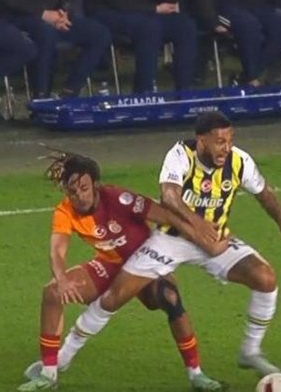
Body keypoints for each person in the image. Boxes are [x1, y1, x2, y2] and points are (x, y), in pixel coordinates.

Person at [51, 111, 281, 377]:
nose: (227, 147)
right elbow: (169, 196)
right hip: (169, 240)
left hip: (213, 239)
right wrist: (198, 225)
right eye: (220, 141)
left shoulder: (240, 161)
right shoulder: (180, 155)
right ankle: (62, 358)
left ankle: (250, 351)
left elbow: (263, 193)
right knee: (115, 297)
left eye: (230, 140)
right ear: (202, 140)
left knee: (265, 278)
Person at [17, 151, 226, 391]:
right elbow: (57, 250)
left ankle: (196, 374)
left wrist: (199, 234)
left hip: (144, 263)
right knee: (53, 292)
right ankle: (48, 375)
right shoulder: (65, 211)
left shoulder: (119, 198)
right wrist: (62, 279)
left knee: (170, 297)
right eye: (72, 192)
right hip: (110, 265)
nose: (79, 196)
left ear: (95, 185)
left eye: (84, 188)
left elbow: (167, 215)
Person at [0, 0, 112, 98]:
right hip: (17, 15)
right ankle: (41, 97)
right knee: (46, 33)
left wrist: (63, 12)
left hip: (55, 15)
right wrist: (42, 13)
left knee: (100, 34)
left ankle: (70, 92)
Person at [84, 0, 197, 92]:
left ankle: (184, 92)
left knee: (185, 27)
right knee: (149, 28)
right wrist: (155, 8)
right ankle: (143, 93)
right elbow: (116, 1)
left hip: (144, 11)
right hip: (107, 10)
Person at [189, 0, 281, 86]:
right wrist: (211, 20)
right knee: (250, 26)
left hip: (253, 1)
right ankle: (251, 79)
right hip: (222, 2)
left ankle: (246, 77)